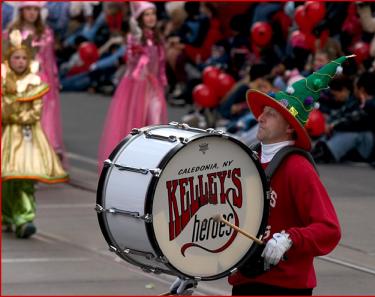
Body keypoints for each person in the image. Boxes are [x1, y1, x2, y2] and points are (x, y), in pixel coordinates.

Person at [169, 56, 350, 295]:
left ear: (289, 127)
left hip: (285, 285)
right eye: (263, 112)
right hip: (245, 279)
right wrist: (193, 270)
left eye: (271, 114)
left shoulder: (297, 168)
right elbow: (223, 223)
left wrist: (290, 239)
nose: (260, 118)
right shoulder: (245, 163)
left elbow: (329, 229)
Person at [1, 30, 69, 239]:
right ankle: (9, 215)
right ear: (8, 59)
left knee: (26, 178)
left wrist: (15, 111)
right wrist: (13, 109)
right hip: (7, 137)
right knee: (8, 179)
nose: (20, 62)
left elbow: (35, 112)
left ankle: (25, 217)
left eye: (23, 57)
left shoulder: (34, 81)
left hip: (28, 137)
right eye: (16, 57)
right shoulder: (4, 81)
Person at [98, 1, 168, 173]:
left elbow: (160, 64)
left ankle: (154, 160)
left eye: (153, 13)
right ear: (139, 18)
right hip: (136, 86)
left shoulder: (157, 38)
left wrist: (162, 81)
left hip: (153, 87)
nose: (151, 17)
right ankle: (133, 161)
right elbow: (132, 60)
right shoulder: (134, 37)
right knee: (135, 122)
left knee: (155, 121)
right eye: (147, 14)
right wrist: (137, 41)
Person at [6, 2, 68, 166]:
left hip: (42, 81)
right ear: (21, 11)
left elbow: (50, 60)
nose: (32, 13)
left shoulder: (46, 33)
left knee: (43, 118)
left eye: (35, 9)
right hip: (20, 82)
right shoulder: (12, 32)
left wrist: (54, 81)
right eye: (28, 9)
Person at [312, 71, 375, 164]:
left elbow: (356, 119)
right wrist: (330, 123)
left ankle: (327, 151)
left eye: (355, 87)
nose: (354, 90)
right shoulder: (356, 101)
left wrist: (333, 125)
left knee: (354, 132)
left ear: (361, 89)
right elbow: (342, 113)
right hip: (359, 144)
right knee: (339, 127)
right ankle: (320, 147)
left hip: (368, 143)